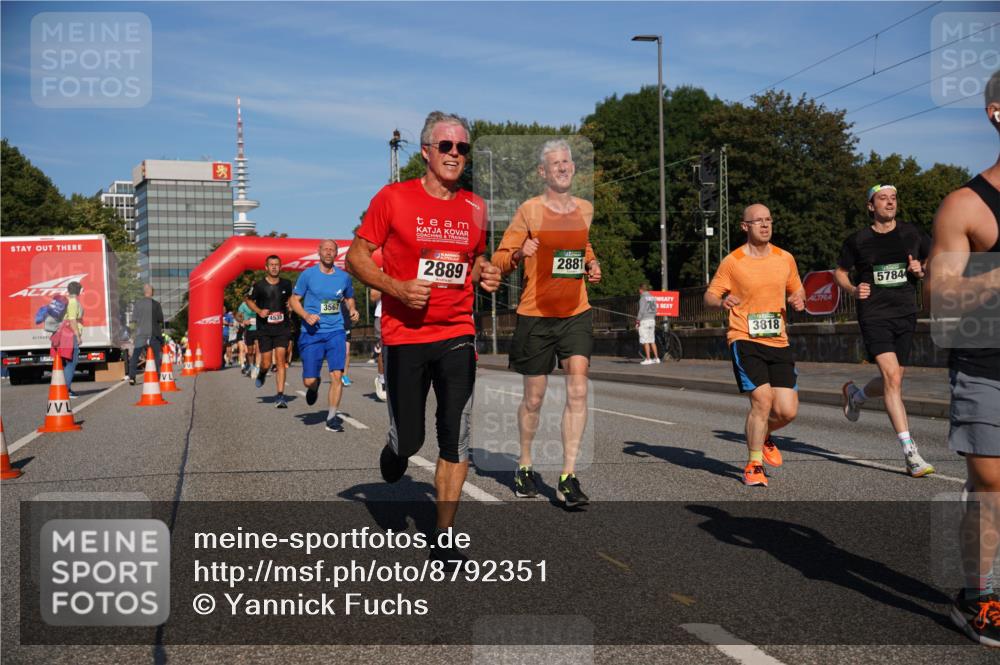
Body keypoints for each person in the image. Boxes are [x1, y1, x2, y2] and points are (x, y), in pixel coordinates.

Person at [346, 110, 500, 554]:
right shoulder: (393, 199)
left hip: (457, 332)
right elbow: (356, 257)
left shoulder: (475, 206)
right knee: (412, 440)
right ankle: (397, 447)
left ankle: (444, 535)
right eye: (446, 146)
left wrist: (484, 272)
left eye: (463, 148)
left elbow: (472, 262)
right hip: (405, 336)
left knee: (455, 435)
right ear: (427, 151)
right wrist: (396, 287)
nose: (455, 154)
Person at [927, 69, 1000, 647]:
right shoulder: (967, 206)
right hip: (986, 365)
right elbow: (942, 295)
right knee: (992, 482)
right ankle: (979, 598)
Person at [491, 138, 601, 507]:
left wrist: (591, 264)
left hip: (575, 313)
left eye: (567, 161)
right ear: (543, 171)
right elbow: (500, 258)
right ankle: (524, 464)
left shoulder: (584, 209)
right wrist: (520, 252)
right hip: (536, 315)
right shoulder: (529, 211)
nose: (563, 167)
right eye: (555, 163)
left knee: (578, 390)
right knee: (534, 399)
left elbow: (582, 246)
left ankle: (568, 476)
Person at [835, 185, 935, 477]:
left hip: (905, 312)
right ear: (870, 206)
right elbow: (839, 272)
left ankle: (856, 396)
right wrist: (854, 288)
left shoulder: (911, 233)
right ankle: (910, 453)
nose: (890, 203)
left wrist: (920, 269)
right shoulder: (858, 240)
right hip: (874, 314)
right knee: (892, 378)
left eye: (893, 198)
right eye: (883, 199)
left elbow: (932, 258)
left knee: (895, 379)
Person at [705, 204, 805, 487]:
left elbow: (797, 288)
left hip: (778, 340)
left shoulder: (785, 258)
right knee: (762, 400)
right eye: (758, 221)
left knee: (787, 411)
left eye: (769, 220)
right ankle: (753, 464)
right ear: (744, 226)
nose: (765, 225)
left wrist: (799, 299)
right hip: (744, 338)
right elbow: (709, 295)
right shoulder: (733, 261)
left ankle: (763, 435)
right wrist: (722, 301)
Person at [290, 239, 359, 431]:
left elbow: (349, 297)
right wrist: (305, 315)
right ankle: (314, 385)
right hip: (311, 333)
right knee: (309, 380)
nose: (328, 253)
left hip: (336, 330)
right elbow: (294, 300)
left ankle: (331, 417)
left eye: (332, 250)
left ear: (336, 254)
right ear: (319, 252)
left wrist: (352, 309)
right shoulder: (308, 275)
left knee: (337, 375)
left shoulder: (343, 277)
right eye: (325, 249)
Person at [246, 255, 294, 408]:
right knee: (266, 362)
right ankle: (261, 373)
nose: (274, 267)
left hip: (282, 327)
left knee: (281, 360)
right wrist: (259, 311)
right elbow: (248, 299)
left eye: (277, 265)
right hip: (265, 329)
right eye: (271, 265)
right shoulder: (259, 286)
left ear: (280, 267)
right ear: (266, 268)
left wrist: (291, 305)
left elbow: (293, 298)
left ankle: (280, 396)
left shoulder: (287, 284)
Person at [128, 284, 164, 386]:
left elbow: (134, 319)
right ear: (151, 292)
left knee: (135, 356)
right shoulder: (156, 304)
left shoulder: (138, 304)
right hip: (154, 333)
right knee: (157, 355)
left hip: (141, 333)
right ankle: (157, 376)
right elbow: (160, 319)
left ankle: (132, 377)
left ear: (144, 292)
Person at [61, 281, 84, 397]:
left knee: (67, 362)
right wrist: (78, 336)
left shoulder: (68, 301)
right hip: (71, 335)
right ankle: (66, 389)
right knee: (72, 362)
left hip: (65, 335)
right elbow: (72, 320)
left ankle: (66, 388)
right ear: (78, 290)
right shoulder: (74, 302)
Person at [370, 287, 386, 401]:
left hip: (402, 316)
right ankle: (382, 380)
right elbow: (373, 296)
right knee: (383, 350)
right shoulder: (380, 270)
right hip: (382, 316)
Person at [637, 283, 660, 365]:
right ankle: (657, 358)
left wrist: (638, 320)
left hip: (645, 321)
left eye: (639, 290)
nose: (639, 291)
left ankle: (648, 359)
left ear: (641, 289)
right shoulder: (653, 297)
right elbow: (655, 310)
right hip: (652, 320)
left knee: (645, 340)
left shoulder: (643, 298)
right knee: (652, 340)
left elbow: (641, 310)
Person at [237, 299, 258, 376]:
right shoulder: (243, 305)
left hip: (259, 329)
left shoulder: (260, 302)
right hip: (249, 330)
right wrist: (243, 321)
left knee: (258, 349)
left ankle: (258, 367)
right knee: (250, 351)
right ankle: (251, 366)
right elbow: (238, 316)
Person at [341, 299, 354, 386]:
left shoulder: (348, 293)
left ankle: (345, 375)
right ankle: (337, 373)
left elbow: (352, 307)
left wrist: (354, 312)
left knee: (346, 352)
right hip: (334, 325)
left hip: (346, 325)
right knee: (336, 351)